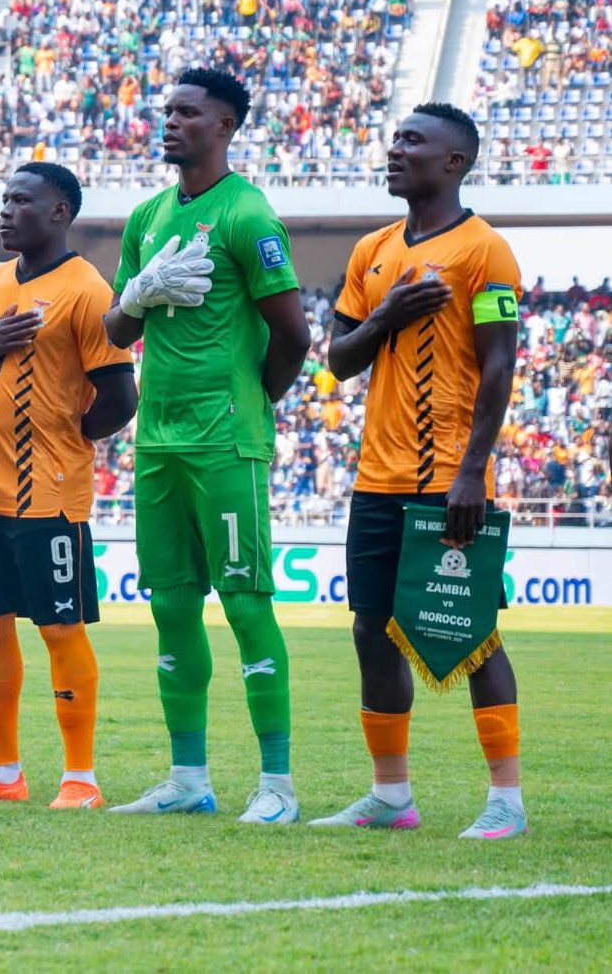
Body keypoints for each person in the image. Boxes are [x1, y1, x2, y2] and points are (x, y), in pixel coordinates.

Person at [312, 103, 527, 839]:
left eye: (412, 141)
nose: (394, 149)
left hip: (448, 482)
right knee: (370, 630)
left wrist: (473, 471)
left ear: (453, 163)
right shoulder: (371, 250)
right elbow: (338, 362)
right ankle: (390, 796)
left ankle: (505, 799)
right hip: (377, 479)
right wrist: (386, 317)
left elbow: (499, 365)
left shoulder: (483, 250)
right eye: (395, 138)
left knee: (472, 634)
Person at [103, 68, 311, 822]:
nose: (169, 122)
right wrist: (135, 294)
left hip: (224, 439)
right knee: (170, 607)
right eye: (166, 111)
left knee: (247, 605)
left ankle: (277, 787)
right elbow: (114, 331)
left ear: (223, 126)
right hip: (156, 440)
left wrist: (248, 407)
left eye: (187, 113)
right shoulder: (146, 215)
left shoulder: (247, 214)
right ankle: (187, 779)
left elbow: (293, 334)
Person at [0, 163, 136, 808]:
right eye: (3, 199)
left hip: (50, 495)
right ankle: (0, 775)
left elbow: (120, 398)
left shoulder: (86, 291)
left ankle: (81, 779)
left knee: (59, 628)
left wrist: (68, 440)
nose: (5, 211)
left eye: (20, 201)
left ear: (58, 213)